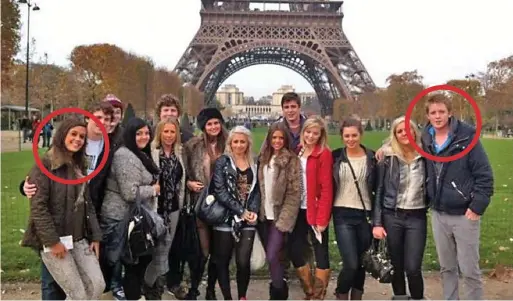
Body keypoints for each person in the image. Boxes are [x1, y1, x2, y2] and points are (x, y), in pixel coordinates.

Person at [375, 94, 494, 300]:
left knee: (468, 269)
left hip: (462, 212)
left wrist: (477, 207)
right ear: (427, 116)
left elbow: (485, 175)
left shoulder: (465, 137)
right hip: (437, 213)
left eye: (441, 112)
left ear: (450, 113)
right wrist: (383, 149)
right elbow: (398, 152)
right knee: (446, 268)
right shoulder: (425, 140)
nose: (437, 116)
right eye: (433, 112)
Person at [20, 102, 116, 300]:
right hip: (55, 237)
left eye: (81, 136)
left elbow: (86, 202)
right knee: (71, 292)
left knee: (97, 285)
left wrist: (95, 236)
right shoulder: (46, 165)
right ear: (63, 134)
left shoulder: (79, 164)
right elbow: (38, 208)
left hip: (78, 236)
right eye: (73, 134)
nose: (78, 139)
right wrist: (52, 242)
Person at [101, 117, 167, 300]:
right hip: (122, 218)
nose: (144, 137)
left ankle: (134, 295)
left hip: (133, 218)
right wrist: (154, 190)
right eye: (139, 133)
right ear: (130, 135)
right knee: (132, 264)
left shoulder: (137, 152)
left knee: (137, 263)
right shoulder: (125, 156)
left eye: (147, 133)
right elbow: (130, 192)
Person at [372, 116, 427, 300]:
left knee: (413, 267)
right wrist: (377, 222)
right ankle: (401, 297)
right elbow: (379, 190)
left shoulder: (425, 155)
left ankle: (418, 298)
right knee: (396, 265)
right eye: (399, 131)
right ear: (394, 135)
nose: (404, 133)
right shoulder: (387, 158)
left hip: (417, 216)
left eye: (407, 129)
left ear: (414, 131)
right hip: (392, 216)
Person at [210, 126, 261, 300]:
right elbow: (220, 191)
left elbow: (256, 191)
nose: (239, 145)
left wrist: (252, 210)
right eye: (235, 142)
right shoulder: (222, 162)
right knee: (222, 261)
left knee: (243, 262)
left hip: (247, 220)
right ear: (230, 143)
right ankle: (227, 297)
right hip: (226, 217)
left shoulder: (254, 163)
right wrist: (241, 210)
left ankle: (242, 296)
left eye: (242, 142)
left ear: (248, 144)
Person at [183, 107, 228, 299]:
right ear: (203, 126)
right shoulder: (192, 146)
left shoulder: (229, 143)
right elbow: (182, 170)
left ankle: (210, 289)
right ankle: (194, 287)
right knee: (203, 251)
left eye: (216, 122)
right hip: (201, 204)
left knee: (218, 254)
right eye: (209, 123)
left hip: (224, 206)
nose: (213, 126)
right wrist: (188, 183)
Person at [331, 117, 377, 300]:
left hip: (364, 215)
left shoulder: (372, 157)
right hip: (342, 214)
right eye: (347, 136)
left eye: (354, 135)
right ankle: (341, 293)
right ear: (342, 137)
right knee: (351, 263)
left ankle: (357, 296)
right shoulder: (335, 157)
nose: (351, 139)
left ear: (361, 135)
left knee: (361, 263)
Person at [289, 116, 333, 300]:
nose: (311, 136)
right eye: (308, 132)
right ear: (303, 132)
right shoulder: (298, 151)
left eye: (316, 133)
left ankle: (318, 295)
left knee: (320, 251)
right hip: (297, 208)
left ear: (321, 134)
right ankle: (309, 289)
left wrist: (322, 219)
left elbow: (326, 188)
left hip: (314, 209)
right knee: (295, 248)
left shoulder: (324, 153)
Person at [256, 122, 302, 299]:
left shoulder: (291, 160)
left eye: (280, 138)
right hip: (263, 215)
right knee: (276, 257)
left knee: (272, 255)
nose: (277, 141)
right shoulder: (262, 158)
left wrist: (284, 221)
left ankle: (278, 293)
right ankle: (278, 290)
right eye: (274, 137)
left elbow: (294, 194)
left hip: (279, 217)